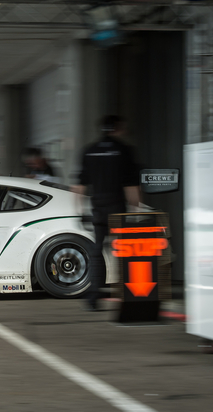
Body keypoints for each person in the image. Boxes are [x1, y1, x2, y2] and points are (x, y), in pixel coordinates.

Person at [73, 115, 141, 311]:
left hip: (98, 207)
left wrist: (79, 212)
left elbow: (79, 185)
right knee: (123, 251)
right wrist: (136, 210)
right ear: (117, 128)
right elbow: (131, 185)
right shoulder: (124, 150)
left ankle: (93, 297)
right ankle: (125, 295)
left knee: (96, 252)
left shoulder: (89, 151)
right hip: (117, 208)